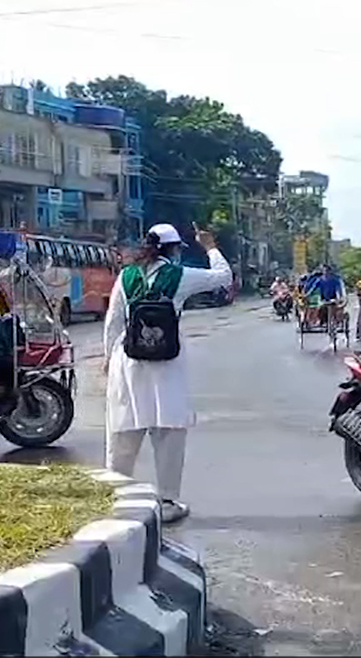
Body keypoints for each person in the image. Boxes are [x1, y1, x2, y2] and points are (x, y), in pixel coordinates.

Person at [102, 223, 231, 524]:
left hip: (129, 361)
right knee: (169, 432)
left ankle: (114, 498)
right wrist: (210, 246)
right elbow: (223, 278)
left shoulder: (127, 276)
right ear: (173, 250)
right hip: (167, 363)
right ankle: (168, 501)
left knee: (123, 429)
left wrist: (108, 358)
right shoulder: (180, 275)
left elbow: (113, 321)